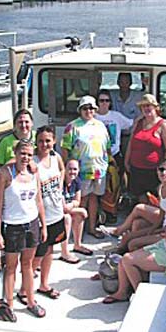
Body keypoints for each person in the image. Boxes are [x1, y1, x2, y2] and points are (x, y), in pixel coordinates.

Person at [0, 138, 46, 318]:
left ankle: (31, 300)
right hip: (13, 226)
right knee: (10, 267)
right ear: (15, 154)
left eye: (29, 155)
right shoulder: (5, 174)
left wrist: (43, 225)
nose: (25, 157)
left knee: (28, 265)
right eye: (22, 153)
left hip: (31, 224)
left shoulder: (34, 173)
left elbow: (38, 201)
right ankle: (8, 304)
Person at [18, 126, 66, 302]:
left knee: (50, 250)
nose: (44, 144)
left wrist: (60, 184)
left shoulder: (56, 157)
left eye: (48, 141)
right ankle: (24, 289)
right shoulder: (33, 163)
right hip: (40, 217)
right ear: (35, 143)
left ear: (54, 141)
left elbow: (62, 170)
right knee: (36, 256)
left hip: (56, 213)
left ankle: (44, 284)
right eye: (40, 141)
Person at [101, 159, 166, 252]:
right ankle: (120, 255)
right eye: (161, 169)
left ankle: (125, 256)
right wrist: (153, 228)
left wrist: (163, 230)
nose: (164, 172)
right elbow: (162, 213)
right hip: (164, 226)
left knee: (132, 243)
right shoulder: (161, 187)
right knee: (131, 232)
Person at [61, 95, 111, 239]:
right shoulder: (72, 126)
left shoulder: (101, 125)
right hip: (80, 172)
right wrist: (68, 169)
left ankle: (91, 228)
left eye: (91, 108)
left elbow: (107, 146)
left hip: (99, 170)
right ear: (80, 110)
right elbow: (65, 148)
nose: (88, 110)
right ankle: (77, 232)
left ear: (95, 110)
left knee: (94, 199)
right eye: (85, 108)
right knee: (81, 200)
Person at [124, 93, 166, 203]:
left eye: (149, 105)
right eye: (143, 106)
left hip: (154, 172)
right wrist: (126, 161)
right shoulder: (138, 122)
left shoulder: (163, 126)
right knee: (140, 199)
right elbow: (131, 143)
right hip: (136, 169)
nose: (146, 108)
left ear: (155, 107)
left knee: (154, 201)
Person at [60, 159, 91, 262]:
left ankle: (77, 245)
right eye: (69, 169)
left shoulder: (77, 181)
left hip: (69, 208)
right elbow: (62, 208)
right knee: (67, 218)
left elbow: (77, 201)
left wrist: (73, 206)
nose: (72, 172)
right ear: (64, 169)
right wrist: (79, 209)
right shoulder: (61, 182)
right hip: (55, 212)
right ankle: (64, 252)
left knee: (79, 216)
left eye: (75, 169)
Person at [0, 109, 34, 181]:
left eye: (27, 122)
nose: (23, 125)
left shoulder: (38, 137)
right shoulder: (5, 142)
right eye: (20, 122)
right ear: (15, 125)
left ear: (32, 123)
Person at [95, 89, 133, 170]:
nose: (104, 103)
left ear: (110, 102)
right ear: (97, 102)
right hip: (97, 155)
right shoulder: (93, 117)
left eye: (107, 100)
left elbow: (131, 123)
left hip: (115, 154)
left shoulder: (116, 116)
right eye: (101, 100)